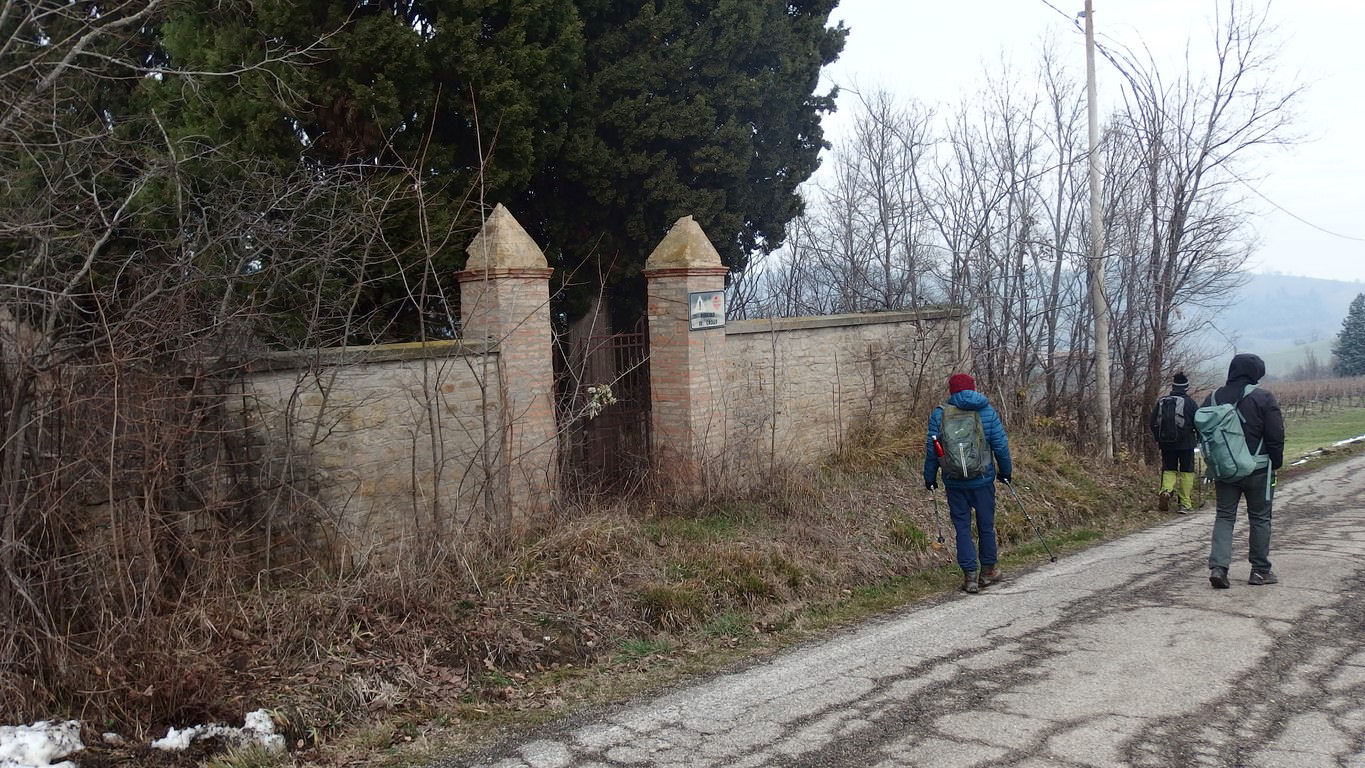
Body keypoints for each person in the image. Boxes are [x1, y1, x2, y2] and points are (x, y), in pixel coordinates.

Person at [924, 373, 1013, 594]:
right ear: (973, 389)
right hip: (983, 480)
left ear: (951, 390)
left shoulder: (940, 414)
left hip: (955, 483)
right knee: (986, 526)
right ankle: (989, 571)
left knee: (962, 528)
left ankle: (970, 577)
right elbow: (1001, 446)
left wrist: (929, 477)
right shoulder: (986, 411)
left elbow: (933, 451)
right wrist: (1005, 472)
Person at [1205, 353, 1285, 589]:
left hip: (1225, 470)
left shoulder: (1213, 398)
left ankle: (1219, 568)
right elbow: (1276, 435)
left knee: (1224, 516)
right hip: (1258, 469)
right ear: (1255, 373)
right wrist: (1276, 462)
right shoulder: (1263, 397)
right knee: (1260, 518)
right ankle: (1260, 571)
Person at [1149, 371, 1199, 513]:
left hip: (1166, 443)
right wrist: (1198, 438)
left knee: (1169, 469)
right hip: (1186, 443)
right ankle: (1184, 504)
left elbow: (1152, 423)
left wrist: (1159, 439)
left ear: (1173, 386)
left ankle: (1166, 491)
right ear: (1186, 387)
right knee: (1186, 471)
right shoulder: (1190, 403)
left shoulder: (1162, 401)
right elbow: (1199, 423)